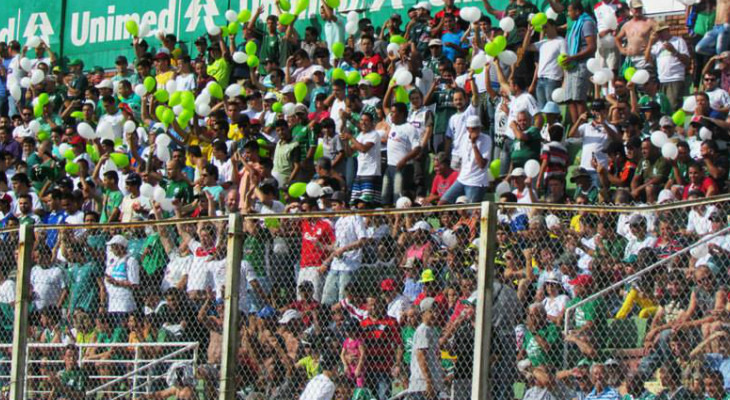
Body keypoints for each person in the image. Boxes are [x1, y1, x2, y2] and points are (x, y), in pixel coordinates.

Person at [408, 297, 445, 399]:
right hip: (422, 384)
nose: (435, 314)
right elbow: (421, 356)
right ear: (423, 313)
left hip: (430, 383)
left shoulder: (431, 329)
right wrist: (428, 381)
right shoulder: (423, 330)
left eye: (437, 311)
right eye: (431, 311)